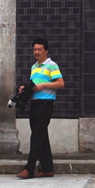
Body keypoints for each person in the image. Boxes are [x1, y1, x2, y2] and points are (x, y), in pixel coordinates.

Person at [17, 38, 63, 180]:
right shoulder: (34, 67)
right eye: (35, 49)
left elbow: (60, 83)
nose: (36, 52)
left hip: (46, 103)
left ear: (46, 51)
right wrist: (25, 89)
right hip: (35, 102)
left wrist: (43, 85)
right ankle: (47, 168)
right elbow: (34, 84)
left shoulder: (51, 65)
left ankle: (29, 168)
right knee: (41, 135)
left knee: (36, 135)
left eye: (39, 49)